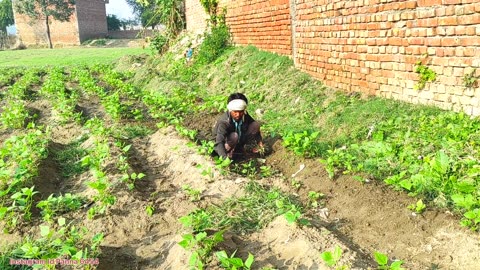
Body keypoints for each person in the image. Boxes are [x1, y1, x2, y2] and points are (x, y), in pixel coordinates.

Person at [213, 93, 264, 159]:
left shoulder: (244, 115)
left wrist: (259, 141)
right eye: (235, 112)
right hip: (223, 145)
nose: (238, 114)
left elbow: (253, 124)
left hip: (238, 140)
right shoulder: (224, 121)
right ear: (230, 110)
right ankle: (229, 153)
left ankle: (245, 147)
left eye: (241, 111)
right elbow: (219, 141)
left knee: (255, 125)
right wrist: (224, 158)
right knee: (234, 136)